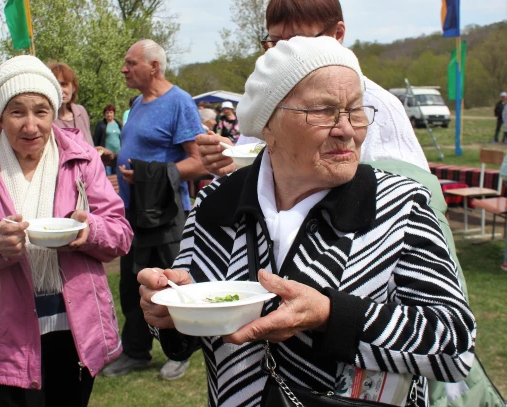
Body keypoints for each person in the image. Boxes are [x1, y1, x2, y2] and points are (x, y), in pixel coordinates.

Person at [138, 36, 476, 407]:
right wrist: (167, 309)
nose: (346, 128)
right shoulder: (215, 205)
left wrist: (331, 317)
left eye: (355, 110)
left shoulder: (399, 207)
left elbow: (456, 345)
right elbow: (186, 328)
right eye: (324, 111)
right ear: (268, 124)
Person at [0, 55, 133, 407]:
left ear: (54, 111)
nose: (30, 125)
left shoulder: (82, 159)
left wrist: (90, 231)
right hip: (5, 336)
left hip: (75, 330)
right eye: (17, 112)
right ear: (0, 114)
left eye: (41, 111)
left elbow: (120, 234)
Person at [197, 0, 430, 177]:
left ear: (337, 34)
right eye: (277, 43)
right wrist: (231, 163)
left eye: (300, 41)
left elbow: (413, 189)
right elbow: (256, 162)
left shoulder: (379, 104)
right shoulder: (266, 100)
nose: (285, 55)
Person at [101, 39, 206, 381]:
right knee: (133, 286)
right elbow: (142, 152)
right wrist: (117, 160)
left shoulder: (180, 102)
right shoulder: (136, 103)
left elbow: (198, 161)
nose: (124, 68)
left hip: (165, 213)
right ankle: (135, 351)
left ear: (154, 67)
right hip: (134, 213)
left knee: (173, 284)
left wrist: (152, 174)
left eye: (130, 62)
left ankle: (182, 350)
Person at [48, 62, 94, 147]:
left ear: (73, 88)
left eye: (64, 84)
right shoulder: (47, 118)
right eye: (55, 85)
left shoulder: (81, 112)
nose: (60, 90)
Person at [92, 105, 122, 175]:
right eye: (107, 113)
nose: (109, 114)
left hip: (118, 154)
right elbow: (96, 139)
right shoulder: (101, 125)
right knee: (108, 175)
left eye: (111, 112)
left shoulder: (118, 124)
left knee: (117, 175)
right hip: (106, 155)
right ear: (104, 114)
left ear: (114, 113)